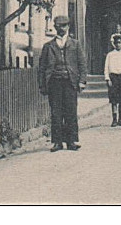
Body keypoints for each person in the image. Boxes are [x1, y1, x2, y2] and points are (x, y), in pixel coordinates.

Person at [37, 15, 87, 151]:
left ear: (68, 26)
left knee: (71, 112)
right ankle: (57, 142)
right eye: (59, 26)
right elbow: (42, 67)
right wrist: (42, 85)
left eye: (64, 25)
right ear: (55, 28)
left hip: (70, 82)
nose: (61, 28)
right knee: (56, 112)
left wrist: (82, 81)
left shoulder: (75, 44)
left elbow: (82, 64)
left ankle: (71, 141)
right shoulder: (48, 46)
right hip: (55, 83)